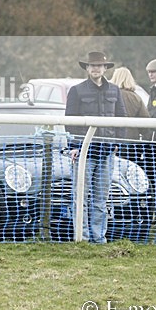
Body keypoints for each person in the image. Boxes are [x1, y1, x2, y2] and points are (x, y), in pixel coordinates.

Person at [65, 51, 126, 244]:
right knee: (80, 198)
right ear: (87, 68)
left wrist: (118, 144)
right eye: (92, 65)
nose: (96, 68)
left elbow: (122, 119)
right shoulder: (77, 90)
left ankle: (99, 238)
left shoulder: (115, 91)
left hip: (107, 152)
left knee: (101, 199)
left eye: (99, 65)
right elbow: (70, 122)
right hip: (84, 153)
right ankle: (81, 239)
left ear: (105, 68)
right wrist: (74, 147)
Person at [109, 67, 149, 141]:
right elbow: (145, 122)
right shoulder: (137, 98)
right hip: (131, 140)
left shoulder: (109, 95)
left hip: (112, 138)